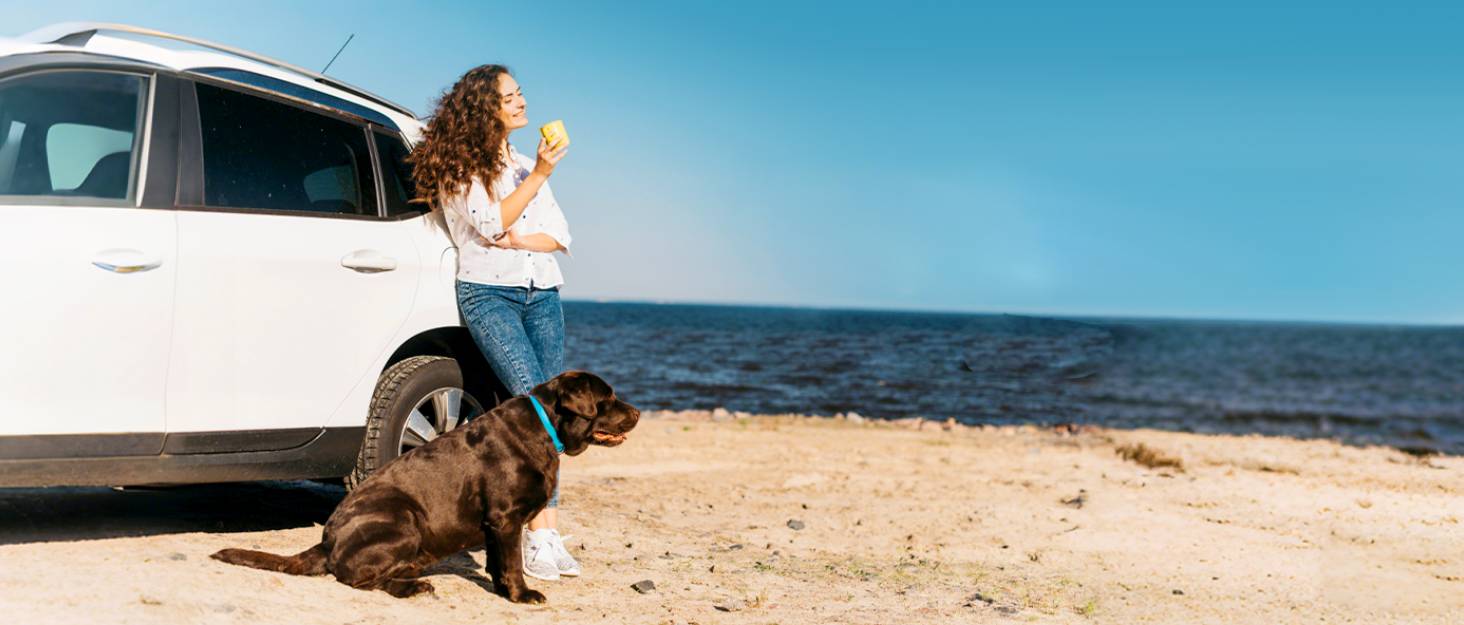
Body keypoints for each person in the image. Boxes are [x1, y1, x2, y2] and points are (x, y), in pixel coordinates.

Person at [408, 64, 577, 581]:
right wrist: (541, 177)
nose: (522, 102)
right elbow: (488, 221)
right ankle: (539, 537)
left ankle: (544, 534)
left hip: (542, 293)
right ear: (486, 108)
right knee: (536, 409)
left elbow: (559, 235)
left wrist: (522, 237)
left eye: (520, 93)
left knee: (553, 412)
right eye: (510, 96)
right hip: (490, 293)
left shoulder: (523, 164)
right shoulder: (461, 166)